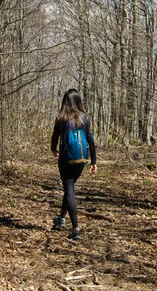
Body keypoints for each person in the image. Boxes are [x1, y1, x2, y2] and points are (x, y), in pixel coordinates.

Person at [51, 88, 97, 240]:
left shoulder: (61, 117)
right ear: (78, 101)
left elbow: (54, 136)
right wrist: (93, 161)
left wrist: (54, 150)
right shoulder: (84, 118)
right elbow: (90, 140)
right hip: (81, 159)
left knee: (69, 189)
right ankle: (61, 218)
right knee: (69, 189)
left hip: (66, 158)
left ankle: (76, 228)